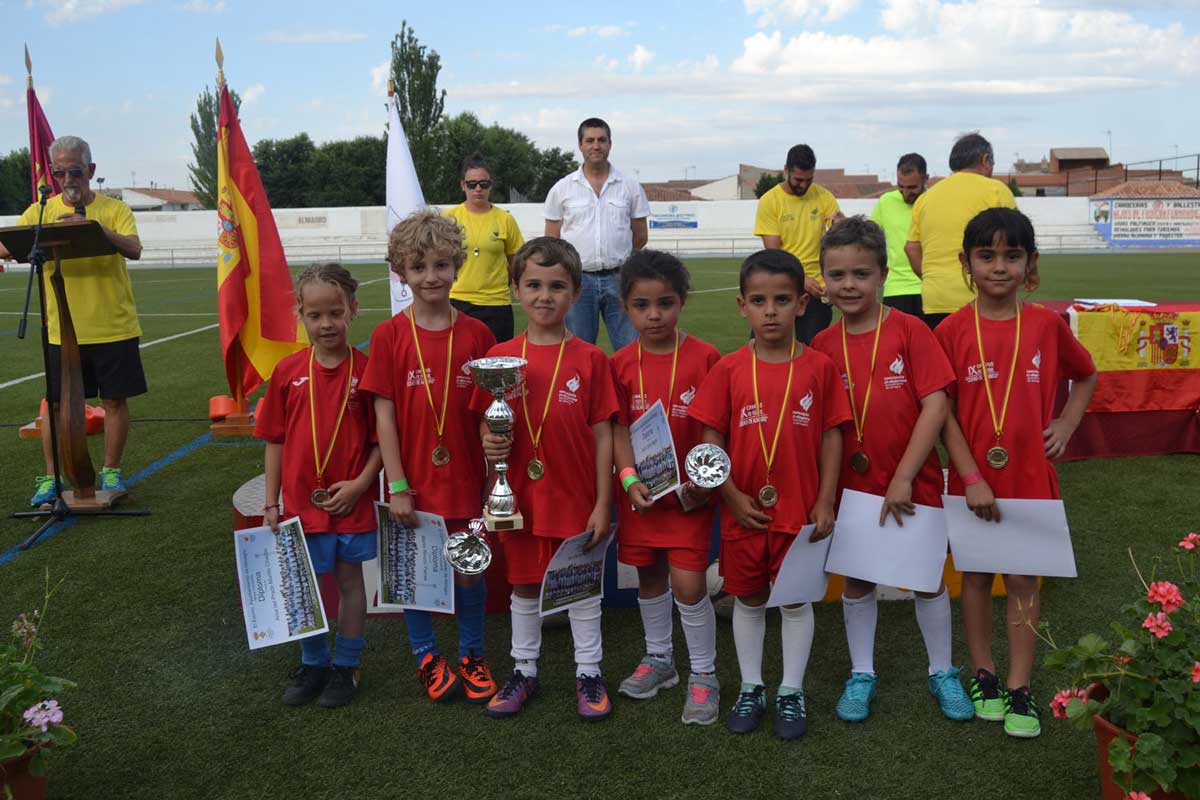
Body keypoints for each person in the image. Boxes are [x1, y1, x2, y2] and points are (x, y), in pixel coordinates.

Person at [936, 208, 1096, 738]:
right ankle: (983, 673)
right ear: (966, 262)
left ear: (1031, 263)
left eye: (1012, 255)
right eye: (987, 256)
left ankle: (1019, 684)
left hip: (1029, 477)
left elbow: (1086, 374)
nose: (999, 267)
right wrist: (971, 477)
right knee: (977, 577)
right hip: (972, 480)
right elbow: (943, 415)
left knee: (1024, 580)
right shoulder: (951, 330)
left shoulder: (1047, 325)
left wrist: (1067, 423)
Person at [809, 217, 975, 724]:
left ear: (883, 275)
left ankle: (942, 670)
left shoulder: (909, 331)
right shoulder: (822, 346)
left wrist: (904, 475)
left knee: (926, 578)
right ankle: (862, 673)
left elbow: (936, 405)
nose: (849, 285)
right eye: (837, 275)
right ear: (823, 279)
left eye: (861, 274)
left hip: (912, 480)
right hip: (852, 486)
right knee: (858, 580)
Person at [689, 249, 850, 740]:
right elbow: (710, 440)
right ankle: (752, 686)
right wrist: (730, 495)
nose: (771, 311)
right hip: (744, 512)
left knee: (795, 602)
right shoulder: (729, 369)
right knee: (749, 598)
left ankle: (791, 690)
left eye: (782, 300)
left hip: (800, 513)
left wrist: (825, 500)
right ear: (742, 306)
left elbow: (832, 436)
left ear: (802, 303)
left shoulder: (819, 367)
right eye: (759, 301)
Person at [475, 237, 620, 721]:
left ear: (576, 293)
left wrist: (603, 503)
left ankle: (588, 673)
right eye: (533, 285)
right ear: (516, 289)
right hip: (519, 497)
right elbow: (485, 422)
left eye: (557, 286)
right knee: (523, 585)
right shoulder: (499, 357)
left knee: (580, 586)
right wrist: (489, 440)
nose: (544, 296)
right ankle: (524, 670)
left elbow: (604, 435)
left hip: (575, 496)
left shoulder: (591, 359)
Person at [361, 210, 499, 705]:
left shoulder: (479, 335)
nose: (431, 277)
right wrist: (397, 485)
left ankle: (472, 654)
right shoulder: (389, 335)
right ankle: (425, 655)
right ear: (400, 272)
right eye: (418, 267)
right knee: (416, 574)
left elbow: (489, 413)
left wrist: (492, 473)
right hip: (412, 482)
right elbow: (384, 416)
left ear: (457, 265)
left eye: (441, 265)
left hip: (466, 479)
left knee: (469, 569)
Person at [254, 262, 382, 709]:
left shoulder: (368, 372)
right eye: (315, 315)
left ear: (353, 310)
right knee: (304, 585)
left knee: (349, 582)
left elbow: (381, 442)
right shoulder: (287, 372)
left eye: (335, 313)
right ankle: (313, 662)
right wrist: (271, 502)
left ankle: (346, 665)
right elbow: (274, 440)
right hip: (299, 504)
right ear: (300, 315)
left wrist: (361, 485)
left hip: (350, 502)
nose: (326, 324)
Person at [0, 136, 145, 505]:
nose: (67, 179)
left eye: (75, 171)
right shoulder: (40, 212)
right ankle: (52, 478)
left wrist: (93, 228)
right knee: (55, 405)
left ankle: (111, 471)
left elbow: (134, 249)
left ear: (90, 171)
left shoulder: (114, 209)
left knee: (114, 401)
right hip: (61, 330)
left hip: (113, 325)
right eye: (60, 172)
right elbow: (6, 246)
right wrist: (28, 244)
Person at [610, 250, 722, 726]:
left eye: (665, 303)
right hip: (640, 496)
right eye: (641, 305)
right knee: (650, 578)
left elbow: (715, 427)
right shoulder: (618, 364)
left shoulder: (706, 358)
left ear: (682, 302)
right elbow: (617, 429)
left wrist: (703, 481)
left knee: (690, 586)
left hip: (689, 499)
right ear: (625, 306)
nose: (654, 315)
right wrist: (629, 478)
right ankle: (660, 660)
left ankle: (704, 673)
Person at [544, 118, 649, 351]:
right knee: (578, 350)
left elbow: (641, 235)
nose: (596, 146)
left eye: (602, 140)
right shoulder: (562, 188)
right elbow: (552, 241)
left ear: (610, 143)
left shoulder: (630, 186)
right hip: (578, 282)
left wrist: (620, 257)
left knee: (630, 349)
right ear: (580, 145)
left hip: (620, 279)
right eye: (590, 140)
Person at [905, 133, 1017, 329]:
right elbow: (1017, 238)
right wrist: (1031, 273)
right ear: (985, 160)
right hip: (983, 297)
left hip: (935, 299)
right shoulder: (996, 190)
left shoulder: (926, 198)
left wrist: (933, 277)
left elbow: (911, 248)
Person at [753, 144, 844, 344]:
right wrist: (800, 279)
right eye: (798, 180)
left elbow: (840, 238)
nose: (803, 186)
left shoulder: (824, 196)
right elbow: (774, 254)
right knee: (765, 346)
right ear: (786, 170)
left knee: (813, 349)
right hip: (781, 286)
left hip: (817, 290)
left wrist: (841, 223)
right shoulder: (770, 201)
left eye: (809, 180)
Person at [443, 153, 525, 342]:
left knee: (496, 358)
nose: (478, 189)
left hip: (497, 304)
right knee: (459, 358)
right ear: (463, 185)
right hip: (457, 302)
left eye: (484, 184)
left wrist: (502, 283)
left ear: (491, 185)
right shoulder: (448, 218)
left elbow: (517, 260)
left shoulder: (505, 219)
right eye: (472, 184)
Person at [869, 154, 927, 317]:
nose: (906, 193)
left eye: (912, 187)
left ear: (925, 179)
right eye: (901, 187)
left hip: (929, 288)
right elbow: (868, 235)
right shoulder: (886, 201)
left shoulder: (934, 202)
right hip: (895, 289)